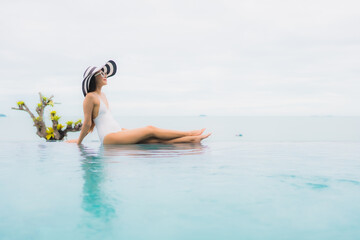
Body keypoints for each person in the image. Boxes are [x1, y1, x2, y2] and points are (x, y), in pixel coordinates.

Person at [66, 60, 211, 145]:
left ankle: (192, 140)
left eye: (105, 73)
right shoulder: (90, 97)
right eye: (101, 73)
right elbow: (87, 123)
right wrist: (78, 142)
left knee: (153, 140)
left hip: (117, 131)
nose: (105, 75)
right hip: (109, 137)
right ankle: (189, 132)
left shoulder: (103, 95)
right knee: (150, 129)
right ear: (93, 78)